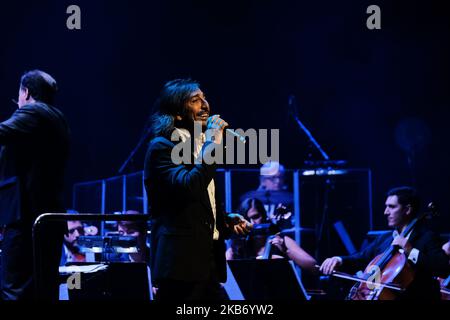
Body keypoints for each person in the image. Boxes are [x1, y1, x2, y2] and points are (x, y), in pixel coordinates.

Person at [144, 79, 252, 300]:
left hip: (208, 265)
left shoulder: (200, 148)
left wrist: (223, 220)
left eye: (204, 98)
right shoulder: (162, 147)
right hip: (180, 268)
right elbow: (189, 187)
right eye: (195, 100)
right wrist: (213, 143)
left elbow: (197, 203)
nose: (205, 105)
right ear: (178, 114)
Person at [0, 70, 70, 300]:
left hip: (27, 219)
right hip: (48, 218)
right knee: (44, 289)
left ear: (26, 92)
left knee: (16, 290)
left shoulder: (33, 111)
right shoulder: (57, 118)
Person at [320, 186, 450, 300]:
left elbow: (442, 267)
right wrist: (338, 260)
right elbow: (361, 258)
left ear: (408, 209)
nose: (385, 212)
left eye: (392, 207)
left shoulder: (427, 237)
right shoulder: (385, 239)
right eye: (386, 207)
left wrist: (411, 251)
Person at [227, 198, 317, 273]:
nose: (251, 223)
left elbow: (313, 266)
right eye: (246, 220)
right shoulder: (236, 248)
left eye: (255, 217)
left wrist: (286, 251)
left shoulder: (281, 240)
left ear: (264, 215)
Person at [240, 161, 293, 229]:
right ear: (263, 180)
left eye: (280, 177)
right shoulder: (252, 200)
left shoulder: (289, 200)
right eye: (273, 178)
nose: (278, 181)